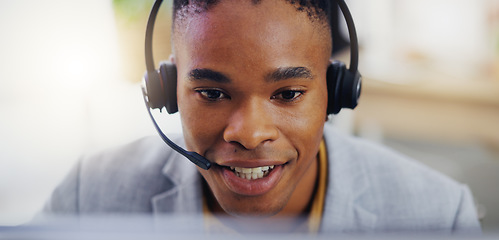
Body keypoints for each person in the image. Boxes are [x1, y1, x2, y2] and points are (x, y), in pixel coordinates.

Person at [40, 0, 481, 234]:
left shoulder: (438, 213)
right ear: (167, 89)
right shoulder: (90, 194)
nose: (249, 134)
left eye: (288, 93)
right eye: (211, 92)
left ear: (336, 91)